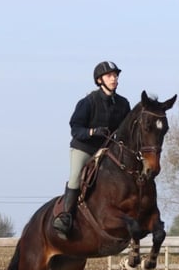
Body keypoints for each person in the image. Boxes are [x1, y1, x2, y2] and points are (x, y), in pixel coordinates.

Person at [53, 61, 131, 239]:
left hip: (107, 151)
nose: (114, 78)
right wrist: (93, 132)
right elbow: (75, 128)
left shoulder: (123, 104)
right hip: (85, 148)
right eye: (110, 75)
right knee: (75, 177)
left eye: (116, 75)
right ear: (99, 80)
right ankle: (66, 217)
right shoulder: (87, 102)